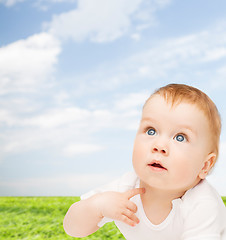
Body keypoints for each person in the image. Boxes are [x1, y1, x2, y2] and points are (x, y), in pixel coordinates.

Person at [63, 83, 226, 239]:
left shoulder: (203, 204)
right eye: (151, 131)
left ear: (205, 166)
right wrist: (97, 206)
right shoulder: (126, 187)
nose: (159, 145)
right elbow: (72, 229)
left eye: (180, 137)